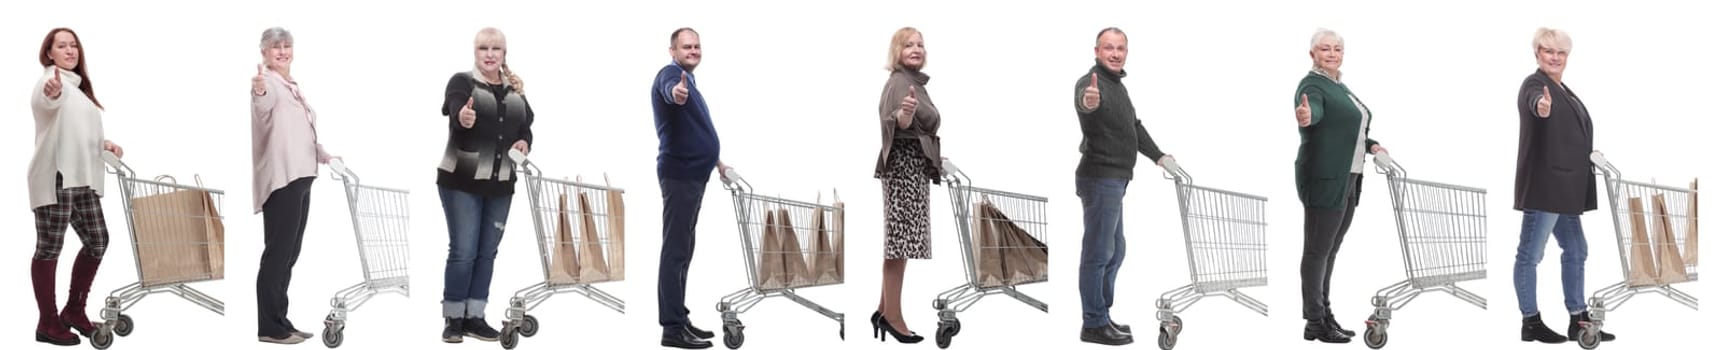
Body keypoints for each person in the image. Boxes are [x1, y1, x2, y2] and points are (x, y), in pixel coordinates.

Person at [1512, 27, 1614, 344]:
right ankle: (1531, 322)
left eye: (1561, 53)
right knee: (1530, 254)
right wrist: (1540, 108)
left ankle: (1577, 319)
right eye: (1548, 51)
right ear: (1537, 54)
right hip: (1546, 186)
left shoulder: (1564, 89)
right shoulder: (1536, 85)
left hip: (1567, 188)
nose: (1555, 57)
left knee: (1576, 249)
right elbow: (1535, 104)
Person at [1072, 27, 1172, 346]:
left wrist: (1158, 156)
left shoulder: (1118, 87)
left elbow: (1133, 126)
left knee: (1116, 250)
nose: (1115, 53)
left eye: (1121, 48)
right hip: (1099, 177)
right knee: (1098, 252)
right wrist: (1088, 103)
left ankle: (1101, 313)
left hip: (1116, 179)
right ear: (1096, 51)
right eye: (1109, 48)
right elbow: (1086, 106)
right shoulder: (1091, 84)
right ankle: (1094, 323)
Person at [1290, 28, 1389, 344]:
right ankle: (1315, 321)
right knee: (1317, 251)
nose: (1332, 54)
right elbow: (1314, 112)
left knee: (1330, 250)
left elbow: (1348, 130)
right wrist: (1306, 116)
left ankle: (1324, 313)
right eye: (1325, 49)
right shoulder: (1312, 86)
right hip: (1325, 178)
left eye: (1337, 49)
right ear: (1312, 54)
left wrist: (1373, 146)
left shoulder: (1339, 87)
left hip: (1349, 177)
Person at [29, 27, 125, 347]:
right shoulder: (50, 82)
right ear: (49, 54)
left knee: (98, 240)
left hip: (81, 178)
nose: (70, 51)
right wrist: (52, 92)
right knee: (49, 248)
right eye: (62, 46)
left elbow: (76, 132)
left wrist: (104, 144)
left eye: (74, 46)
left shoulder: (79, 89)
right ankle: (48, 322)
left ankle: (74, 310)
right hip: (56, 176)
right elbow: (47, 100)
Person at [437, 27, 533, 344]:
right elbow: (455, 109)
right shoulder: (462, 82)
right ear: (475, 52)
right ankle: (453, 318)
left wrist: (524, 142)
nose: (489, 54)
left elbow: (526, 127)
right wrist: (462, 116)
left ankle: (475, 317)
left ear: (505, 54)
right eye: (483, 48)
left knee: (487, 253)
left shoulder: (515, 92)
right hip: (461, 181)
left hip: (501, 185)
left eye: (496, 49)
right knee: (464, 251)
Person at [251, 26, 337, 345]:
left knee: (290, 253)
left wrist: (324, 154)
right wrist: (259, 90)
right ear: (264, 53)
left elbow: (302, 132)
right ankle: (268, 327)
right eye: (275, 47)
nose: (282, 51)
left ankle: (281, 320)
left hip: (303, 176)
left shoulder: (292, 86)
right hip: (282, 178)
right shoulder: (269, 84)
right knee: (277, 253)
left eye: (287, 45)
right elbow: (263, 106)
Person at [653, 27, 733, 350]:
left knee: (684, 251)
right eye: (686, 46)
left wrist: (718, 161)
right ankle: (671, 328)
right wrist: (676, 93)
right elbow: (669, 90)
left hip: (694, 174)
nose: (693, 50)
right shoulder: (670, 75)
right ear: (672, 51)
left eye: (697, 46)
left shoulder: (691, 80)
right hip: (680, 174)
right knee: (675, 251)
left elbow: (695, 130)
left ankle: (679, 316)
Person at [871, 26, 940, 345]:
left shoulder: (913, 82)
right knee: (899, 246)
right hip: (903, 170)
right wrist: (904, 116)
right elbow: (895, 119)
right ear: (896, 52)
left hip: (913, 168)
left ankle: (884, 309)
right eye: (908, 45)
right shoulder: (899, 82)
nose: (916, 49)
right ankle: (893, 318)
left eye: (920, 44)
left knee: (901, 244)